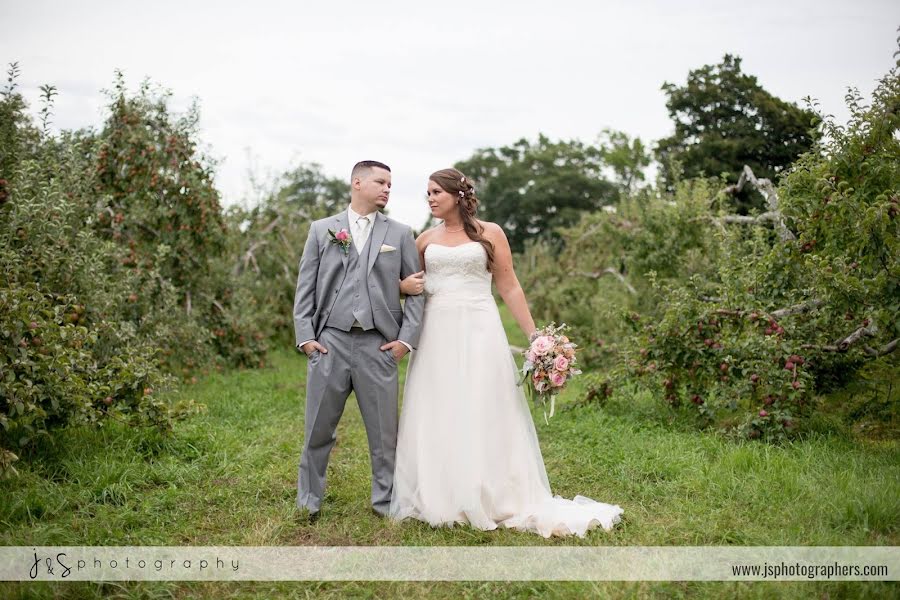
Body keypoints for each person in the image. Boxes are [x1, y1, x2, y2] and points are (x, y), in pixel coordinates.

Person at [389, 167, 623, 537]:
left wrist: (537, 340)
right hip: (436, 332)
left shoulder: (490, 233)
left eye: (436, 192)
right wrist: (402, 287)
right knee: (439, 404)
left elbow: (509, 286)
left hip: (480, 329)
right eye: (427, 193)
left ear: (458, 195)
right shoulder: (423, 240)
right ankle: (441, 490)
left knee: (484, 402)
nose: (430, 198)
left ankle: (492, 490)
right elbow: (407, 287)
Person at [293, 160, 424, 518]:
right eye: (380, 182)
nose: (386, 189)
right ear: (357, 183)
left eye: (390, 184)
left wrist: (404, 342)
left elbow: (416, 291)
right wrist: (305, 337)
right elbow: (305, 286)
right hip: (330, 341)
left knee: (384, 436)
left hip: (378, 345)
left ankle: (385, 503)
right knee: (318, 429)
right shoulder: (323, 230)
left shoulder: (399, 233)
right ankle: (308, 503)